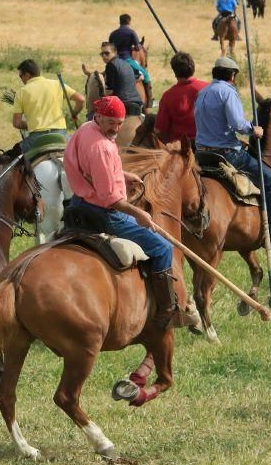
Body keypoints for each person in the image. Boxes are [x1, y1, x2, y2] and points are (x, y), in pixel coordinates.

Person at [64, 95, 186, 329]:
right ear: (98, 116)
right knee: (162, 248)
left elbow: (90, 171)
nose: (117, 129)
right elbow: (111, 200)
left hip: (79, 203)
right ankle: (166, 311)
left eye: (120, 123)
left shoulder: (85, 129)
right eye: (111, 122)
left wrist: (122, 175)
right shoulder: (102, 148)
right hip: (104, 213)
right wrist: (138, 213)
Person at [194, 57, 271, 246]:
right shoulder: (228, 92)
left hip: (202, 154)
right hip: (227, 154)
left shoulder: (203, 92)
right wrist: (254, 129)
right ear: (232, 75)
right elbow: (237, 123)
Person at [11, 59, 84, 148]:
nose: (21, 79)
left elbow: (16, 123)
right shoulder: (57, 84)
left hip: (36, 138)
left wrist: (29, 124)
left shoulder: (21, 92)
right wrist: (74, 113)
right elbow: (81, 99)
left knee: (21, 158)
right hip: (60, 136)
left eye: (21, 76)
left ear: (27, 75)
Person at [155, 52, 209, 144]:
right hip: (208, 144)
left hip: (179, 148)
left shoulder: (168, 96)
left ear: (175, 72)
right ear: (193, 68)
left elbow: (159, 130)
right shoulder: (209, 89)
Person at [101, 42, 142, 116]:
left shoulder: (110, 65)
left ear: (115, 52)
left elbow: (109, 91)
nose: (104, 56)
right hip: (137, 103)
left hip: (122, 104)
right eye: (102, 54)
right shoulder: (126, 63)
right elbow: (141, 76)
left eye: (107, 53)